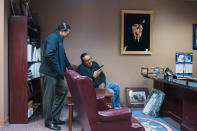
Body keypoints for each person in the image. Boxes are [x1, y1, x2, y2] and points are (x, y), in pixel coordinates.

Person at [39, 22, 71, 130]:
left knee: (62, 91)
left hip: (56, 73)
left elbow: (63, 54)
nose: (68, 35)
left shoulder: (60, 39)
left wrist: (69, 66)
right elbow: (49, 55)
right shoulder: (53, 37)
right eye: (68, 33)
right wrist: (59, 70)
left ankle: (54, 117)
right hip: (49, 73)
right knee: (49, 98)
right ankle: (48, 122)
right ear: (63, 31)